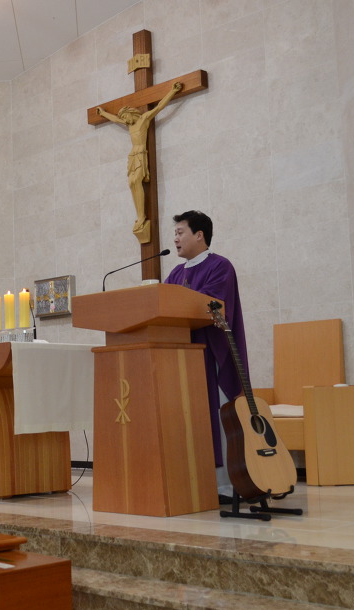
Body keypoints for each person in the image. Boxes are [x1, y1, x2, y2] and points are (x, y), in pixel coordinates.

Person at [163, 210, 249, 501]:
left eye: (180, 232)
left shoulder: (220, 266)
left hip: (212, 354)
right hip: (182, 357)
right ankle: (195, 483)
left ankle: (226, 485)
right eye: (175, 234)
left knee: (218, 417)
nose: (175, 239)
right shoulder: (176, 274)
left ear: (199, 235)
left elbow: (212, 306)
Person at [96, 81, 183, 243]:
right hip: (133, 156)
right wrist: (103, 113)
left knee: (137, 180)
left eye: (126, 117)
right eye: (124, 119)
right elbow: (115, 119)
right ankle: (139, 215)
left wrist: (172, 91)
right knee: (131, 183)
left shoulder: (143, 119)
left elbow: (159, 107)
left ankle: (142, 216)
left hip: (142, 154)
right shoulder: (129, 125)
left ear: (131, 113)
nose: (125, 121)